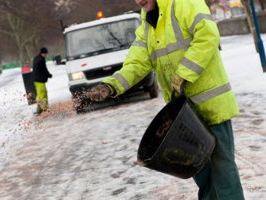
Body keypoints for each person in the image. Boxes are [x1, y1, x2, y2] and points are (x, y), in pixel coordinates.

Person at [87, 0, 245, 199]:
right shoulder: (146, 24)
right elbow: (136, 62)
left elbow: (207, 35)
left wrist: (184, 74)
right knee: (201, 174)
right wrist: (111, 86)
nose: (139, 1)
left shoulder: (184, 3)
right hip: (183, 117)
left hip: (211, 106)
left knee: (223, 172)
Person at [33, 47, 52, 114]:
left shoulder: (36, 58)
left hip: (35, 80)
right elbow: (44, 70)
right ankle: (45, 109)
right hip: (40, 81)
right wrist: (49, 75)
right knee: (43, 94)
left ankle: (39, 109)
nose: (46, 55)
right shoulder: (41, 60)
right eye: (45, 54)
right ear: (43, 53)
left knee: (39, 95)